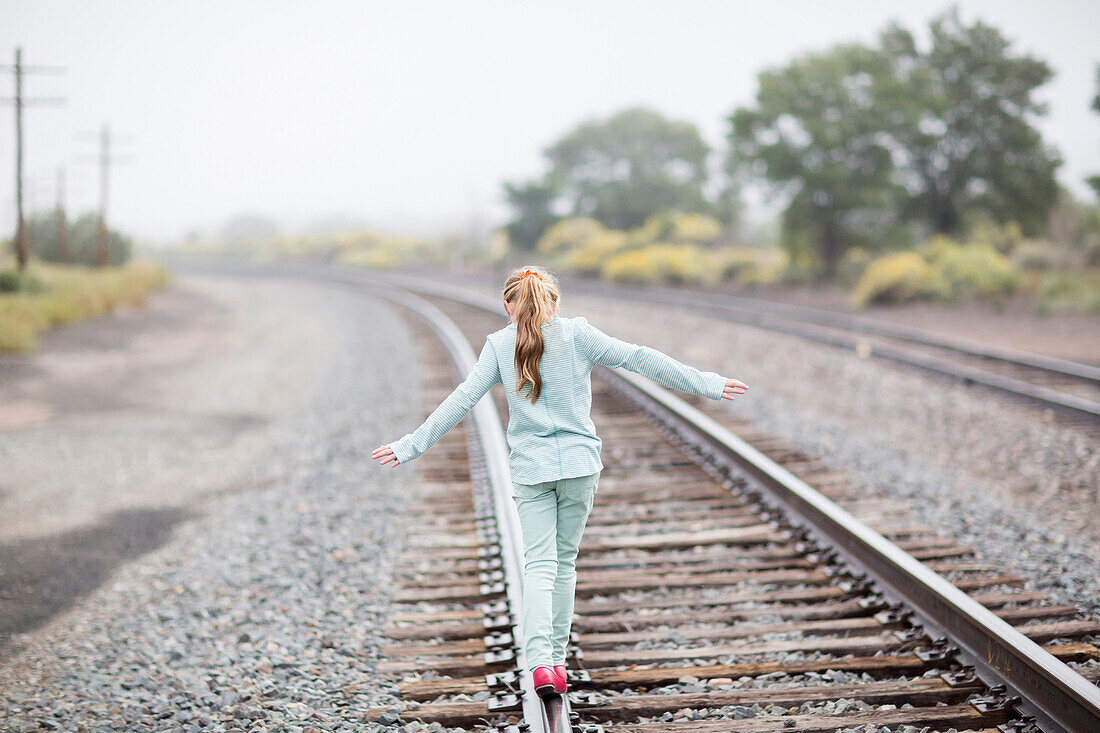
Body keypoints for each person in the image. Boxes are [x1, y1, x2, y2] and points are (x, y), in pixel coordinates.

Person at [372, 265, 748, 698]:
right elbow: (640, 357)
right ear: (555, 301)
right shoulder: (577, 335)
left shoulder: (499, 345)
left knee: (540, 566)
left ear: (508, 305)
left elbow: (462, 399)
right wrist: (709, 383)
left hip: (532, 471)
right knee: (564, 565)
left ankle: (539, 666)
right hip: (579, 467)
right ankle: (557, 659)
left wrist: (411, 445)